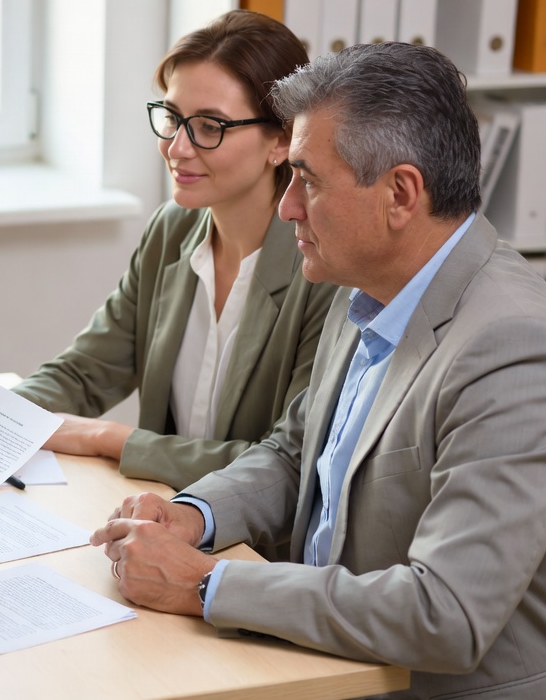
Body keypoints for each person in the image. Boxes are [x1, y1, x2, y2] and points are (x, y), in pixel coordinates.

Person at [91, 41, 546, 699]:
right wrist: (192, 515)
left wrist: (201, 582)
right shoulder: (362, 281)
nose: (288, 208)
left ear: (400, 193)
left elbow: (443, 614)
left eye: (308, 179)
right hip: (321, 666)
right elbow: (293, 452)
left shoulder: (510, 348)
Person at [13, 10, 337, 492]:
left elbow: (287, 464)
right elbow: (85, 372)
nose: (176, 148)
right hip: (161, 520)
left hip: (257, 549)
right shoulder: (173, 228)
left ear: (281, 141)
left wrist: (110, 438)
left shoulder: (324, 266)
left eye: (209, 127)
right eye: (172, 118)